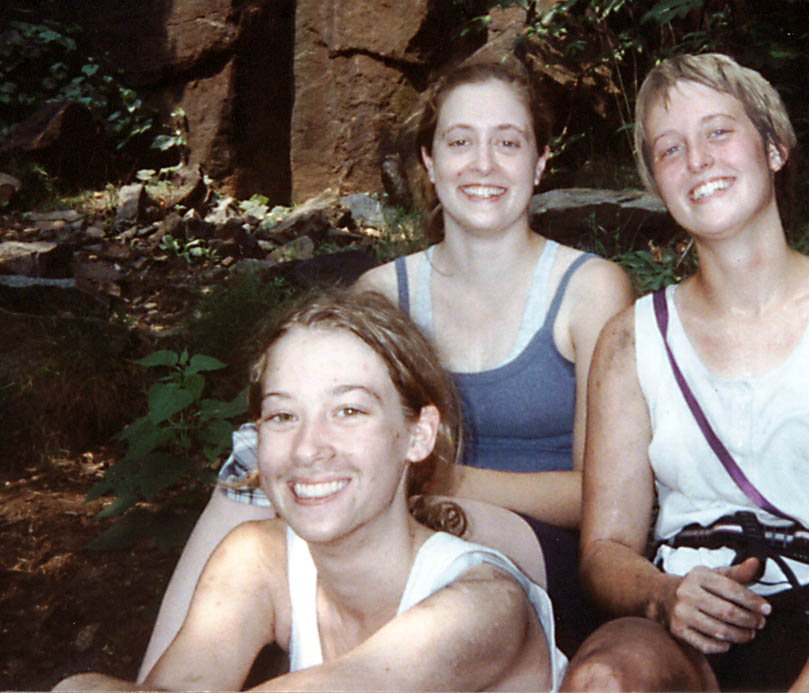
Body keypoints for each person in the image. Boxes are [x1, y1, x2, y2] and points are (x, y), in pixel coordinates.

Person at [135, 56, 634, 680]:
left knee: (410, 516)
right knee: (245, 480)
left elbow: (599, 495)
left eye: (507, 142)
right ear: (429, 161)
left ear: (539, 162)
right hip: (399, 507)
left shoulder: (591, 290)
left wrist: (432, 472)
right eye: (460, 142)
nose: (483, 164)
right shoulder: (383, 292)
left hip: (535, 548)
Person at [560, 53, 809, 691]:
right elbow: (604, 550)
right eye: (670, 148)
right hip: (691, 622)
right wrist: (663, 596)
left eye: (718, 132)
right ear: (657, 182)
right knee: (604, 679)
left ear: (773, 148)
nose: (699, 160)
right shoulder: (632, 337)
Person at [55, 290, 566, 692]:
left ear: (419, 434)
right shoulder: (257, 558)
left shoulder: (482, 605)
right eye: (282, 415)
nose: (307, 447)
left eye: (348, 411)